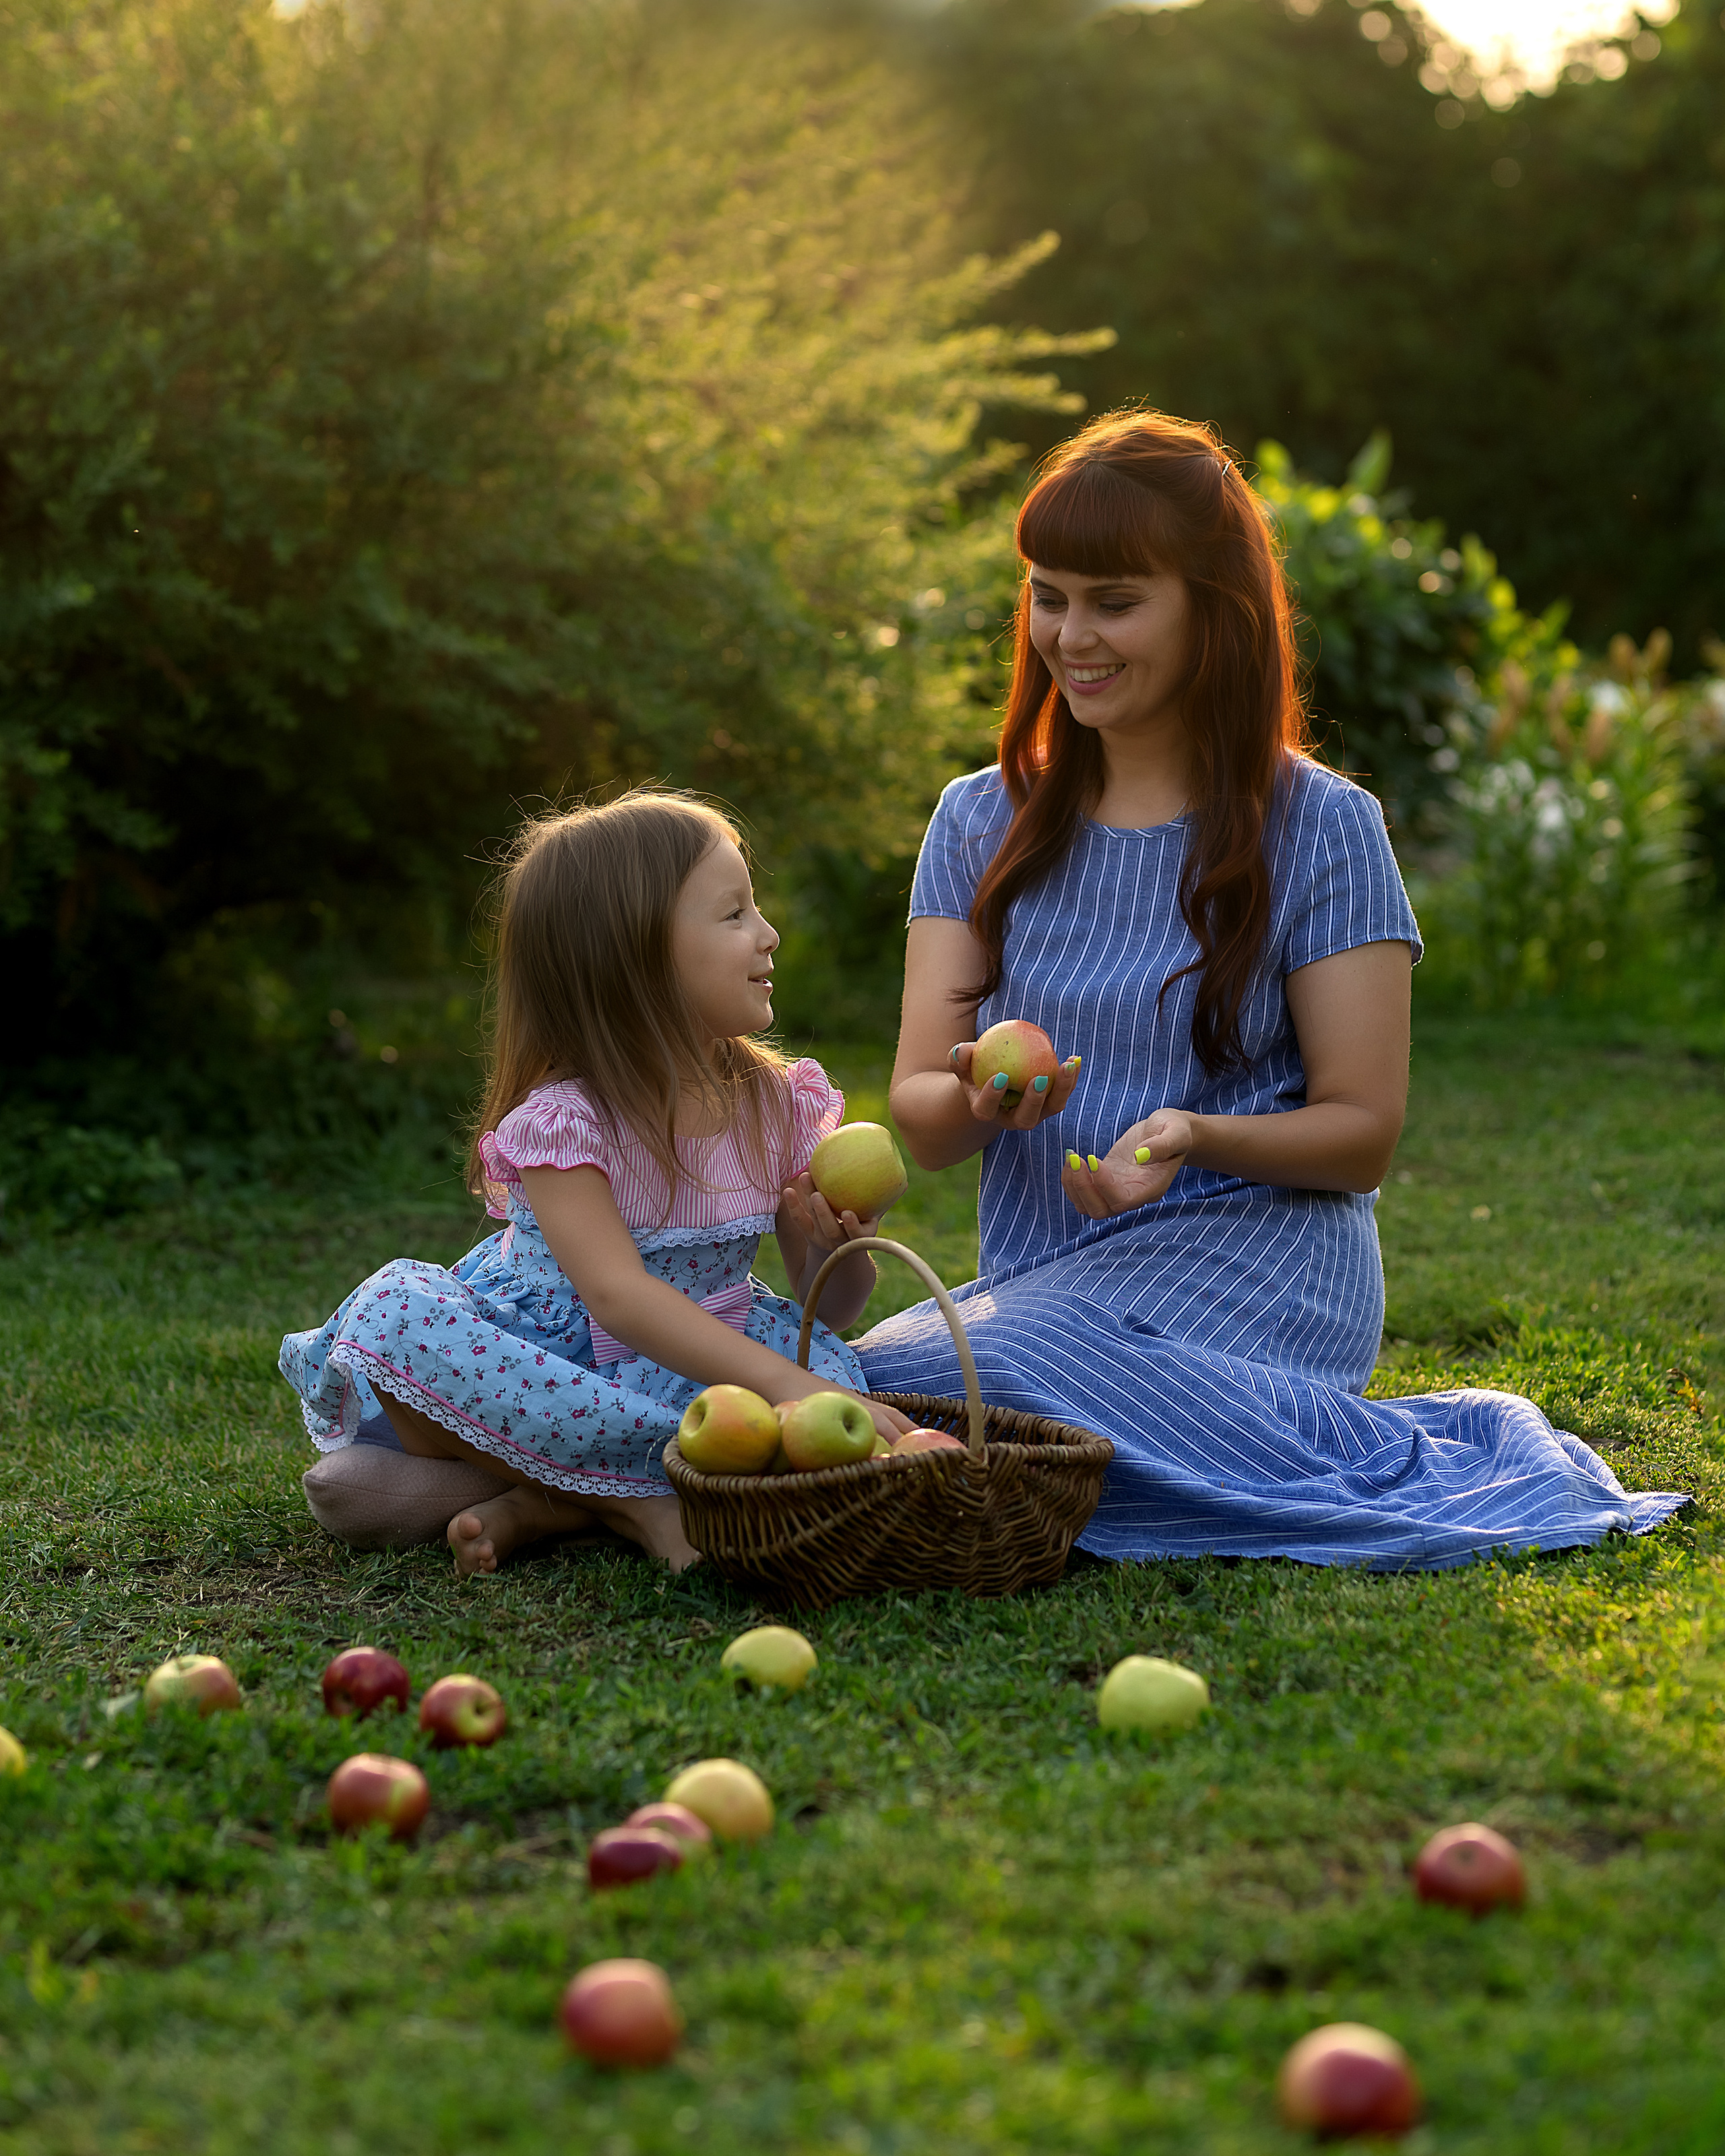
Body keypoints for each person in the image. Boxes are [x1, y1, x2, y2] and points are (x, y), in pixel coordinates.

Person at [856, 410, 1686, 1566]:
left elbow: (1362, 1135)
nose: (1070, 635)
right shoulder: (976, 820)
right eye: (1049, 595)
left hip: (1263, 1276)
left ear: (1214, 606)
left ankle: (1239, 1435)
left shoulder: (1326, 829)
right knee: (863, 1381)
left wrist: (1194, 1136)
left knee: (901, 1380)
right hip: (1051, 1288)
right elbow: (922, 1117)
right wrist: (981, 1103)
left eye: (1115, 600)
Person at [282, 789, 907, 1575]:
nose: (768, 933)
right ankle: (635, 1497)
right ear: (635, 956)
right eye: (734, 913)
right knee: (392, 1324)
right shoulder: (565, 1122)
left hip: (705, 1362)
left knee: (360, 1493)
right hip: (541, 1361)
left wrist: (837, 1247)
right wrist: (786, 1387)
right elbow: (618, 1296)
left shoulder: (780, 1106)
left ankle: (551, 1499)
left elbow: (835, 1311)